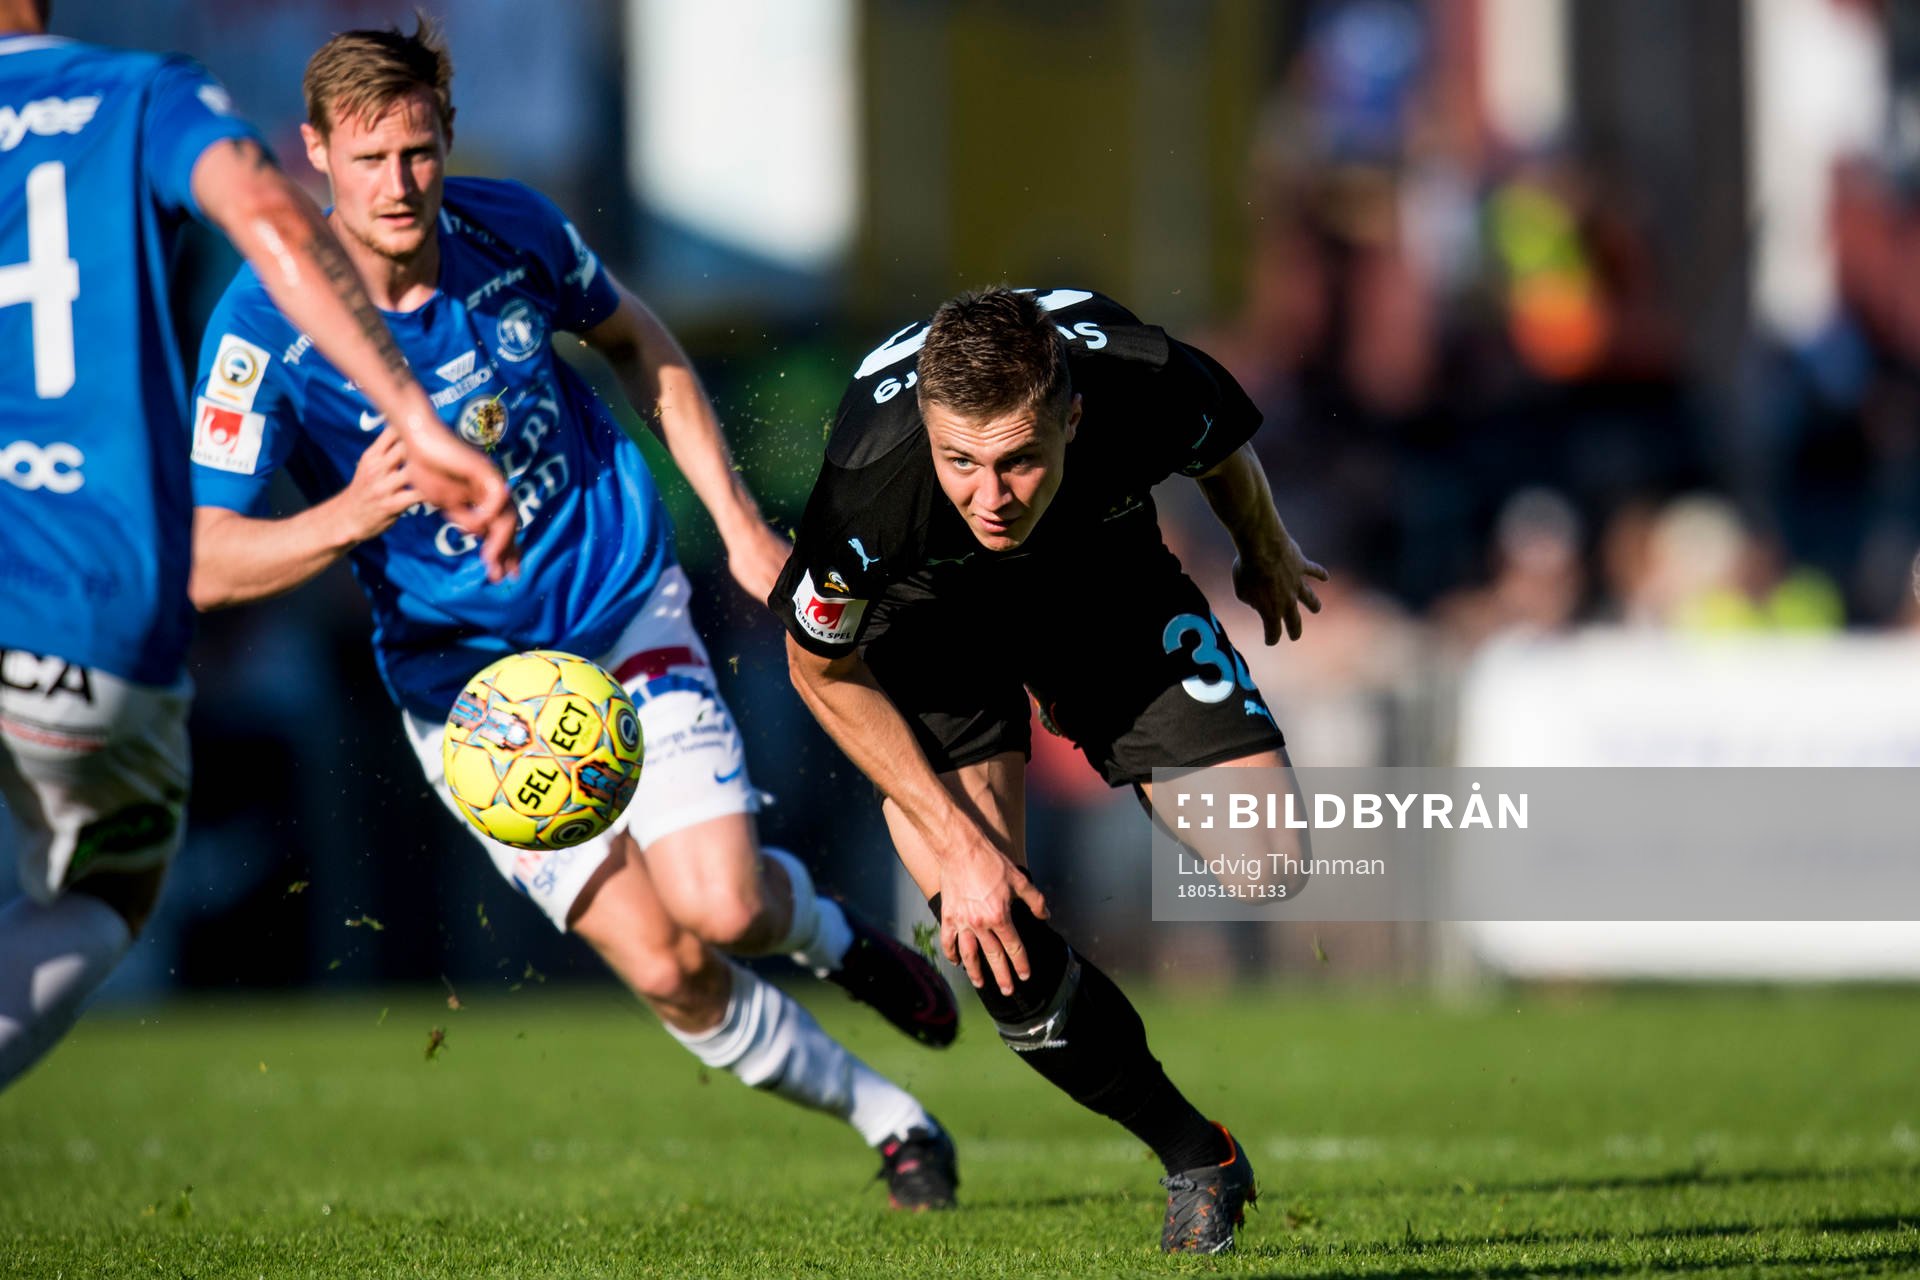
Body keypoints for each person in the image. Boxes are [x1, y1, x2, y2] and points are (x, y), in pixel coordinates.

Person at [185, 20, 960, 1209]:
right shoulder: (259, 326)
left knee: (726, 903)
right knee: (666, 963)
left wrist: (745, 526)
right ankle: (892, 1119)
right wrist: (346, 514)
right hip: (475, 696)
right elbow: (206, 558)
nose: (400, 185)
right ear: (313, 156)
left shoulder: (512, 230)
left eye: (420, 152)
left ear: (446, 141)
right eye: (371, 157)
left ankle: (838, 938)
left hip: (614, 606)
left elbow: (636, 339)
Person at [0, 1, 514, 1090]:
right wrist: (414, 420)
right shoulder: (137, 94)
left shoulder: (512, 239)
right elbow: (270, 221)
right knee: (107, 885)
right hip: (75, 603)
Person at [774, 286, 1327, 1251]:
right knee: (996, 935)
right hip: (925, 625)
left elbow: (1218, 448)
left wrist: (1264, 544)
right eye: (963, 462)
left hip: (1096, 580)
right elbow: (817, 664)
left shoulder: (1142, 379)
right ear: (927, 430)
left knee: (1270, 859)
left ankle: (1118, 724)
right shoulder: (874, 477)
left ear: (1074, 416)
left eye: (1021, 459)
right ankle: (1198, 1156)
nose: (991, 497)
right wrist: (958, 848)